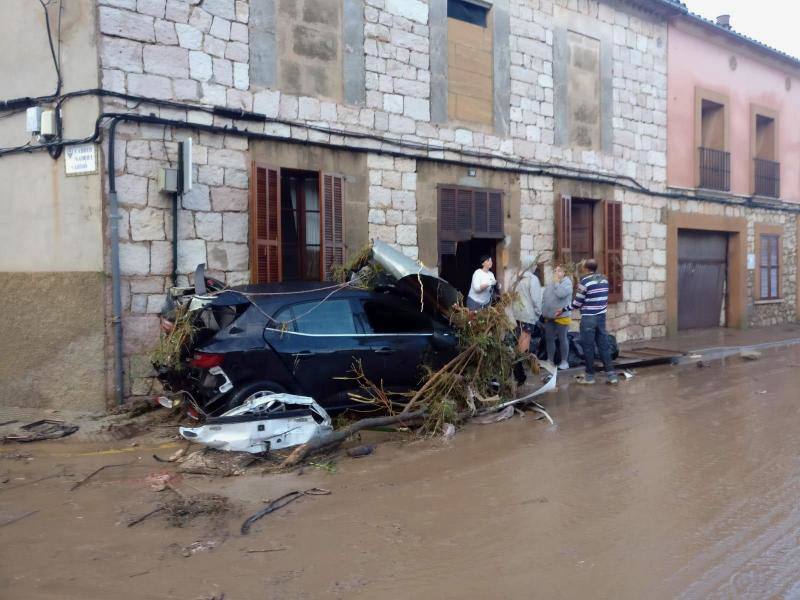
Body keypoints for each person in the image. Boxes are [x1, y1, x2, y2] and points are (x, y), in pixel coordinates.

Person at [556, 258, 618, 385]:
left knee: (588, 347)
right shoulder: (605, 279)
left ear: (585, 269)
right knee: (603, 346)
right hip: (601, 317)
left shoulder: (585, 281)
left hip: (588, 318)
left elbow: (577, 303)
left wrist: (563, 309)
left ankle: (590, 377)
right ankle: (611, 376)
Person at [541, 264, 573, 370]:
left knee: (562, 338)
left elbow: (560, 294)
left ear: (564, 273)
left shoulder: (567, 283)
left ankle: (564, 362)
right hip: (549, 316)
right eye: (555, 270)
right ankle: (550, 360)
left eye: (559, 271)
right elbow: (545, 296)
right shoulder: (551, 283)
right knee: (549, 338)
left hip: (562, 316)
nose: (556, 273)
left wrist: (556, 283)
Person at [511, 265, 543, 354]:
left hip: (517, 312)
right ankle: (521, 362)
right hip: (528, 313)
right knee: (526, 336)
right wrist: (538, 312)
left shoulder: (517, 277)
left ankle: (518, 362)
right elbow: (536, 299)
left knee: (520, 336)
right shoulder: (532, 279)